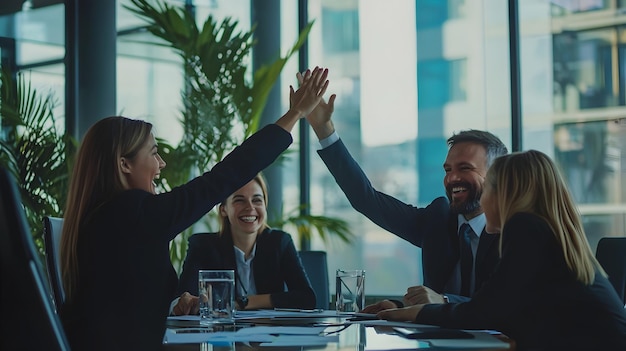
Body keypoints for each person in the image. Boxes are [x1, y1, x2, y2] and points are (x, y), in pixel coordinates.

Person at [59, 67, 330, 351]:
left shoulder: (100, 218)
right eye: (153, 153)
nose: (161, 163)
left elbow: (130, 301)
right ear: (124, 164)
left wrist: (180, 302)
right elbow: (223, 178)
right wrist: (295, 114)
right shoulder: (133, 213)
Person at [377, 150, 626, 350]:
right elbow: (501, 308)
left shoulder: (525, 227)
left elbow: (483, 311)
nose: (483, 202)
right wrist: (405, 308)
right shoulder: (546, 234)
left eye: (487, 191)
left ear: (504, 194)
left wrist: (413, 313)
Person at [302, 82, 508, 307]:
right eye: (448, 170)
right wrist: (324, 131)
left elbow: (501, 305)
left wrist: (444, 301)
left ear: (496, 175)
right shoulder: (438, 219)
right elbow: (366, 199)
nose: (452, 178)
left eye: (465, 168)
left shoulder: (513, 230)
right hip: (439, 341)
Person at [172, 173, 316, 315]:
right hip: (220, 334)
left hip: (269, 335)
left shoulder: (279, 243)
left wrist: (242, 303)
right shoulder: (203, 246)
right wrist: (185, 301)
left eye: (257, 200)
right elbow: (185, 296)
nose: (250, 207)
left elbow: (306, 298)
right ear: (223, 209)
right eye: (239, 200)